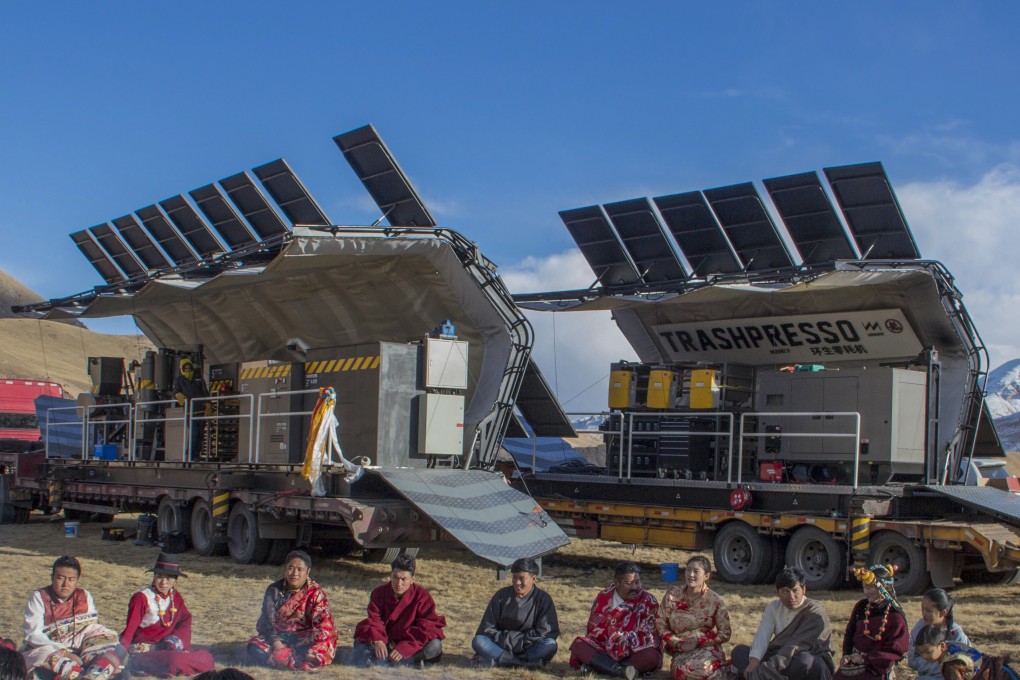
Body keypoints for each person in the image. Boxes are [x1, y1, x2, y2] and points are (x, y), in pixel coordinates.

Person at [22, 556, 127, 680]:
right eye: (60, 578)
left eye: (71, 579)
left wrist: (86, 651)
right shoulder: (39, 597)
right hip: (51, 648)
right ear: (52, 578)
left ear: (77, 580)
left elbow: (90, 628)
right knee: (46, 656)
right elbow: (33, 635)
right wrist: (64, 652)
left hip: (80, 647)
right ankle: (82, 674)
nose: (65, 584)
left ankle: (92, 675)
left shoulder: (84, 596)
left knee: (113, 643)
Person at [118, 552, 215, 676]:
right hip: (144, 652)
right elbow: (129, 630)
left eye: (169, 578)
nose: (164, 582)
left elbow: (185, 620)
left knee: (206, 657)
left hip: (168, 648)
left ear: (175, 579)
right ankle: (153, 666)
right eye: (159, 576)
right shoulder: (141, 598)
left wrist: (172, 643)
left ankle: (169, 667)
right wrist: (119, 655)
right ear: (154, 576)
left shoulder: (175, 597)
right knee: (175, 661)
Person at [731, 566, 834, 680]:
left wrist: (768, 668)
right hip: (777, 657)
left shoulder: (814, 610)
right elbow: (762, 636)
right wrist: (754, 663)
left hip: (803, 658)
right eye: (785, 591)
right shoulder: (774, 607)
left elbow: (796, 645)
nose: (791, 597)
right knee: (739, 652)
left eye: (795, 591)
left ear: (804, 589)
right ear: (778, 592)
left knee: (804, 661)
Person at [569, 561, 662, 679]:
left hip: (633, 651)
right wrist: (613, 641)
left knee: (651, 656)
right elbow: (593, 631)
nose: (635, 587)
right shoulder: (604, 597)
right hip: (604, 649)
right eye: (629, 583)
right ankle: (621, 671)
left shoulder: (648, 600)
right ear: (616, 583)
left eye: (637, 582)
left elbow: (650, 636)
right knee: (579, 644)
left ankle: (599, 667)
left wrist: (624, 640)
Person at [246, 550, 338, 671]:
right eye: (291, 568)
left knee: (317, 650)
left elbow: (323, 625)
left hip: (305, 638)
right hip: (279, 636)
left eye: (300, 570)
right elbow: (268, 620)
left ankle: (281, 661)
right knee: (255, 647)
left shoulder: (316, 594)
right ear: (285, 568)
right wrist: (277, 643)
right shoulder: (273, 590)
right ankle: (288, 661)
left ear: (308, 571)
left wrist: (314, 645)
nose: (294, 573)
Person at [352, 553, 446, 668]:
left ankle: (394, 660)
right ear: (390, 576)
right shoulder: (379, 593)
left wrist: (405, 648)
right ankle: (409, 662)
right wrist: (378, 640)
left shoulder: (423, 596)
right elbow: (374, 620)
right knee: (360, 641)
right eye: (395, 577)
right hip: (387, 642)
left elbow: (427, 627)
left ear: (412, 579)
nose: (398, 584)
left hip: (411, 644)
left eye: (404, 579)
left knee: (435, 645)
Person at [655, 556, 734, 680]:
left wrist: (700, 641)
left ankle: (724, 670)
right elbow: (660, 624)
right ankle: (726, 671)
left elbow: (725, 633)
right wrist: (678, 643)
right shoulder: (672, 595)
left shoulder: (715, 600)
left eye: (696, 571)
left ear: (706, 576)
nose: (691, 575)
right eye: (688, 570)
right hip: (681, 648)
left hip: (706, 647)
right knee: (682, 672)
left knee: (706, 669)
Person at [471, 557, 559, 668]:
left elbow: (545, 632)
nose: (517, 583)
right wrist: (506, 640)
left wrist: (521, 643)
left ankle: (503, 661)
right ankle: (524, 664)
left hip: (529, 647)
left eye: (522, 578)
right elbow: (487, 628)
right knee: (479, 641)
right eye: (514, 577)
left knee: (550, 644)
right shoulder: (501, 595)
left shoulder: (543, 599)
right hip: (501, 645)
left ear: (533, 579)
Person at [834, 564, 909, 680]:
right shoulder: (861, 606)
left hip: (877, 668)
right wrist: (847, 656)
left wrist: (866, 659)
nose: (865, 592)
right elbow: (850, 634)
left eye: (869, 587)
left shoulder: (895, 615)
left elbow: (896, 648)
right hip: (854, 663)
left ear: (883, 587)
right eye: (864, 587)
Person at [908, 589, 970, 680]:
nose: (923, 613)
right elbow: (912, 661)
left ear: (942, 613)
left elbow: (966, 666)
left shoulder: (956, 634)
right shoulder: (919, 628)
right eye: (922, 608)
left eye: (928, 610)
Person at [914, 626, 1017, 680]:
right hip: (1000, 670)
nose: (924, 656)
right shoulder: (951, 646)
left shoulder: (951, 664)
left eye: (928, 652)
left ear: (942, 646)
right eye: (921, 652)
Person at [172, 357, 208, 458]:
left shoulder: (199, 378)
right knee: (194, 434)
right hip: (190, 411)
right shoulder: (179, 380)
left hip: (200, 410)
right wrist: (178, 395)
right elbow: (175, 392)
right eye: (186, 368)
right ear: (182, 369)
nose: (188, 370)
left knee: (200, 435)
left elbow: (204, 392)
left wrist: (208, 404)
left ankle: (197, 454)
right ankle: (190, 455)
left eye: (189, 368)